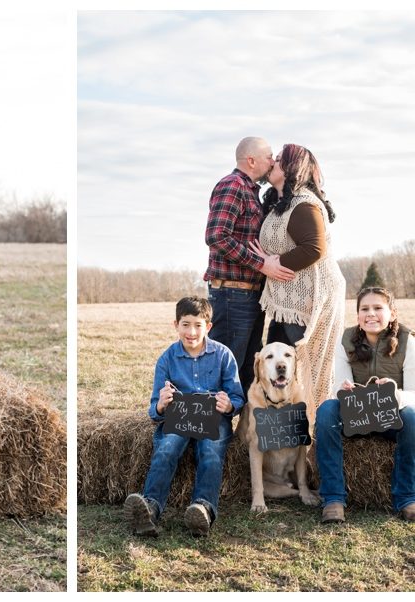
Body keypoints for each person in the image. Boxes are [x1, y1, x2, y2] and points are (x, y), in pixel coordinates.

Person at [124, 296, 244, 537]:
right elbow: (154, 410)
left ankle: (203, 509)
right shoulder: (167, 359)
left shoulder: (223, 355)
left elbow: (237, 398)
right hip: (179, 417)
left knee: (210, 452)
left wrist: (229, 405)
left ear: (208, 327)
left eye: (198, 325)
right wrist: (161, 405)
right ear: (176, 325)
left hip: (212, 418)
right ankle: (150, 507)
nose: (191, 332)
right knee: (167, 448)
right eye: (186, 324)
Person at [250, 143, 345, 422]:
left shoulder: (303, 204)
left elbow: (314, 248)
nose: (272, 164)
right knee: (279, 364)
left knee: (307, 370)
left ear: (292, 168)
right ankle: (279, 437)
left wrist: (274, 265)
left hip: (309, 300)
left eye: (279, 160)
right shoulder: (282, 203)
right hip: (286, 301)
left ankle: (314, 437)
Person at [313, 286, 415, 523]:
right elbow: (339, 385)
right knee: (327, 410)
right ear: (357, 315)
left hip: (392, 418)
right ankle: (333, 499)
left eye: (378, 308)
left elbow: (413, 393)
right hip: (356, 416)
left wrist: (394, 393)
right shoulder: (346, 340)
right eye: (364, 309)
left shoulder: (407, 342)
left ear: (392, 313)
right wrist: (345, 391)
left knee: (412, 417)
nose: (371, 314)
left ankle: (407, 498)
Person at [204, 136, 295, 396]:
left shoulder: (252, 191)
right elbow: (216, 235)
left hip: (250, 294)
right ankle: (215, 431)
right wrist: (261, 264)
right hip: (233, 294)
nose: (272, 162)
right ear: (251, 160)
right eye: (269, 157)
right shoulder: (232, 185)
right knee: (226, 366)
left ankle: (242, 431)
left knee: (246, 368)